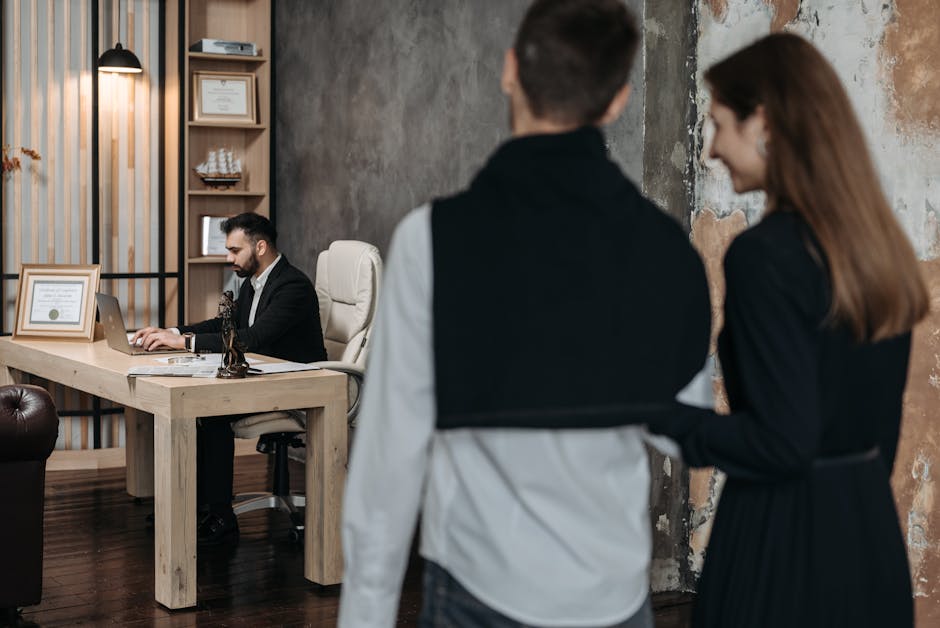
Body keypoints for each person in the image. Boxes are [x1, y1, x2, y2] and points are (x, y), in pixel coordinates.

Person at [338, 1, 712, 626]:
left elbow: (389, 457)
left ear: (510, 69)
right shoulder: (665, 249)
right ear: (617, 99)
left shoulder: (431, 240)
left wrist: (366, 613)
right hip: (613, 595)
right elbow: (686, 428)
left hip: (477, 586)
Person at [646, 33, 928, 628]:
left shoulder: (763, 256)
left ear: (766, 124)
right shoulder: (879, 253)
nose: (710, 150)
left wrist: (664, 418)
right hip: (867, 540)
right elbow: (879, 429)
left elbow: (783, 442)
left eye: (719, 124)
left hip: (781, 545)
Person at [133, 212, 327, 545]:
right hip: (261, 376)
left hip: (296, 385)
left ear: (260, 247)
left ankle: (221, 517)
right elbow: (223, 325)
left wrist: (184, 344)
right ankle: (195, 507)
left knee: (212, 412)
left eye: (235, 251)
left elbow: (252, 338)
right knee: (197, 410)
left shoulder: (291, 286)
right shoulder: (254, 283)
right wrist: (174, 331)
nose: (229, 258)